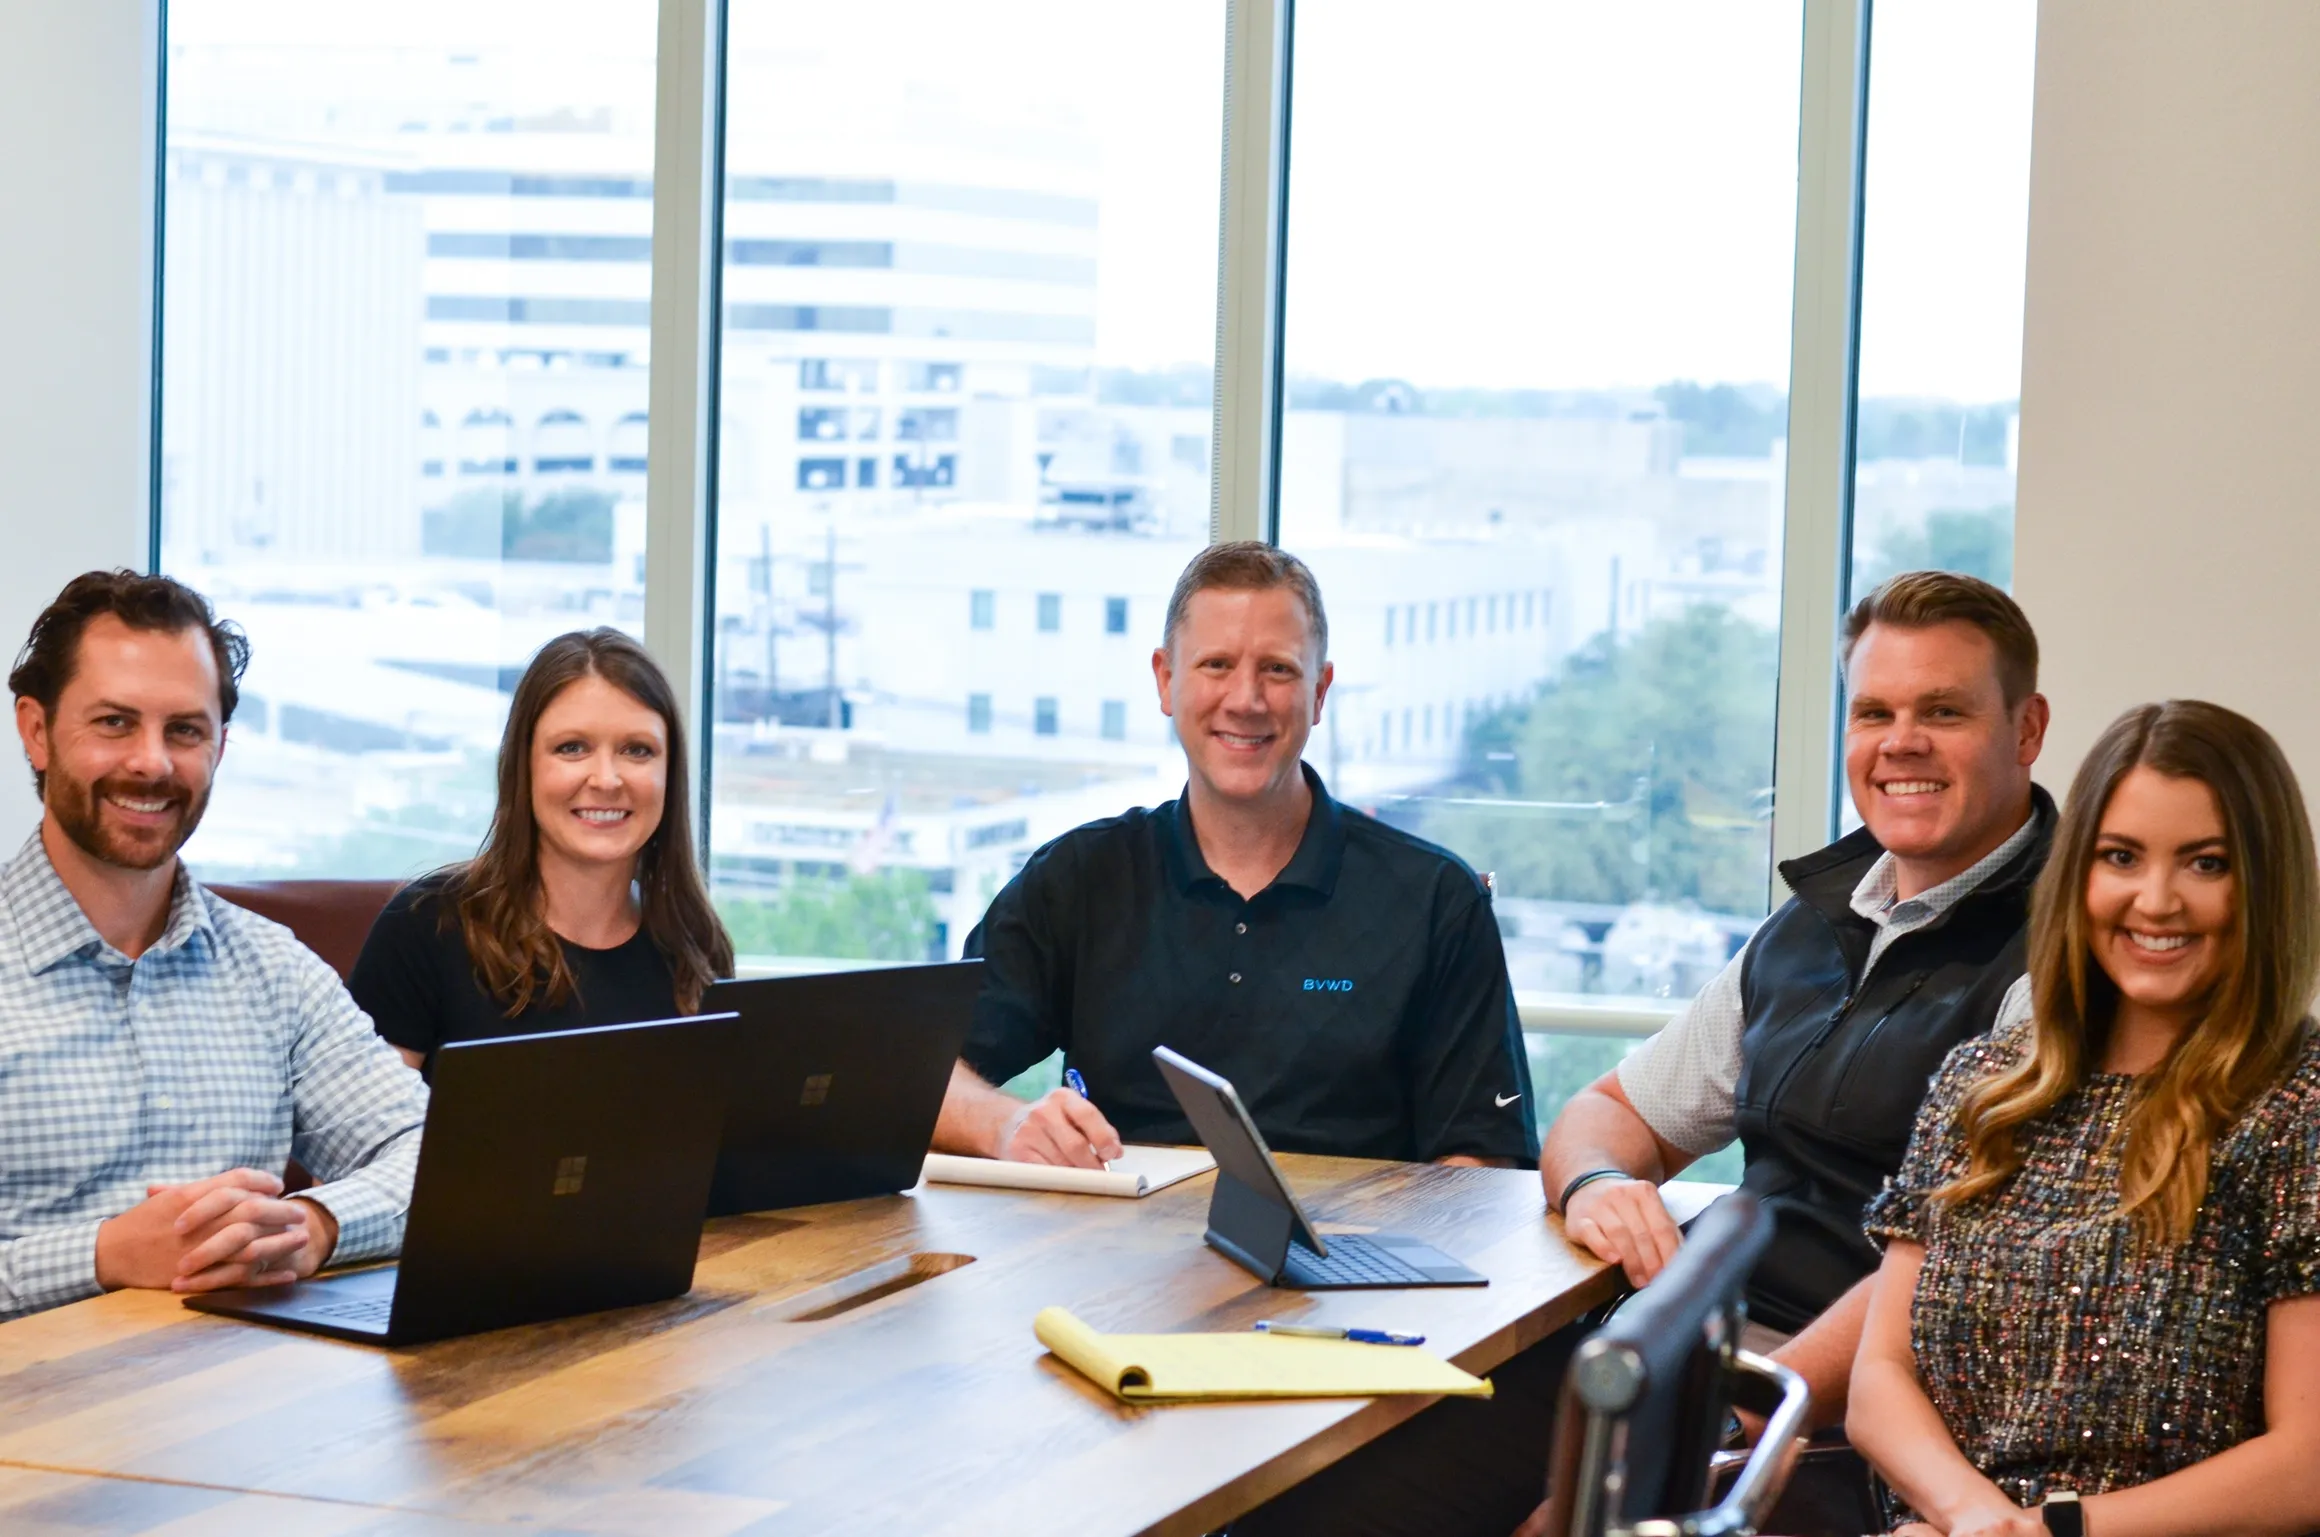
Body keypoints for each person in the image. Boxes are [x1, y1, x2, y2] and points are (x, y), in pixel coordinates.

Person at [1541, 570, 2054, 1433]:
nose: (1902, 743)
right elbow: (1609, 1109)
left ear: (2027, 729)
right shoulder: (1820, 915)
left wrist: (1743, 1407)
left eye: (1943, 712)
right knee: (1362, 1477)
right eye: (1874, 713)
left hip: (1829, 1410)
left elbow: (1954, 1271)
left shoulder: (2060, 955)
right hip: (1682, 1346)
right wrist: (1597, 1185)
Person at [1852, 700, 2320, 1537]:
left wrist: (2049, 1531)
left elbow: (2307, 1463)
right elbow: (1879, 1378)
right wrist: (1973, 1518)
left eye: (2206, 863)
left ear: (2265, 882)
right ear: (2079, 873)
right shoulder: (1982, 1082)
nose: (2158, 899)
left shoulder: (2300, 1106)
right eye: (2121, 857)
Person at [931, 541, 1535, 1172]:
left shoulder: (1435, 900)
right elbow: (918, 1075)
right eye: (1216, 665)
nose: (1245, 699)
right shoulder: (1080, 879)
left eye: (1277, 669)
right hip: (1114, 1258)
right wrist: (1008, 1126)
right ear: (1166, 680)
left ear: (1320, 691)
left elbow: (1485, 1164)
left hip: (1348, 1260)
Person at [0, 570, 428, 1320]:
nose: (153, 762)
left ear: (220, 747)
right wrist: (104, 1254)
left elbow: (430, 1153)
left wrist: (316, 1225)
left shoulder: (275, 971)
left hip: (235, 1408)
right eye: (113, 723)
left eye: (185, 731)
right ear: (35, 731)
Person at [349, 628, 732, 1076]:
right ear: (523, 767)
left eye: (637, 750)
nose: (607, 779)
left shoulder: (693, 947)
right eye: (572, 748)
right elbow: (366, 1137)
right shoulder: (425, 927)